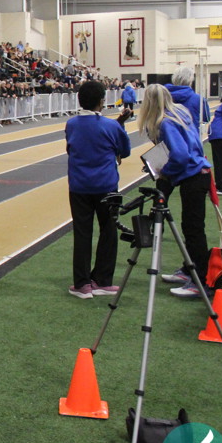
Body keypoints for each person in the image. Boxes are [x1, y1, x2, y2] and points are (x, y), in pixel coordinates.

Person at [138, 84, 212, 298]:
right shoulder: (180, 113)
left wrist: (164, 170)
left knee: (193, 229)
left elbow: (179, 155)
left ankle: (200, 280)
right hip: (198, 172)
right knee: (191, 227)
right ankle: (190, 269)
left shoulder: (165, 122)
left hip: (193, 175)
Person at [64, 81, 132, 299]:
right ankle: (102, 280)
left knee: (82, 233)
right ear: (102, 101)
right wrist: (120, 124)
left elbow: (72, 148)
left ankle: (82, 284)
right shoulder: (111, 126)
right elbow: (125, 150)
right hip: (107, 185)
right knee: (108, 230)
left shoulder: (71, 124)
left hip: (79, 186)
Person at [165, 65, 209, 131]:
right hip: (191, 134)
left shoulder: (163, 97)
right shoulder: (199, 99)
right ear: (191, 80)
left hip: (170, 134)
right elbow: (206, 118)